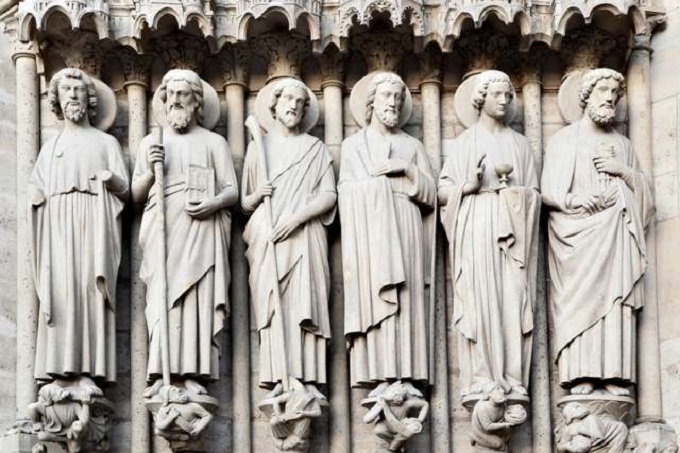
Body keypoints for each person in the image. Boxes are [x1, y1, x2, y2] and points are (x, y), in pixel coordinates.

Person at [542, 68, 653, 396]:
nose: (610, 98)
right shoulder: (565, 140)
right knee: (580, 303)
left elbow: (646, 199)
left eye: (615, 94)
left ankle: (616, 374)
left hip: (616, 234)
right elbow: (549, 191)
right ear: (586, 96)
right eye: (603, 90)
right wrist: (576, 200)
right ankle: (581, 374)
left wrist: (624, 172)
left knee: (616, 301)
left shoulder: (623, 145)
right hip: (578, 237)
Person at [438, 70, 540, 397]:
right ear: (481, 99)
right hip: (477, 227)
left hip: (513, 234)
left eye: (508, 95)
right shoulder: (465, 143)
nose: (504, 100)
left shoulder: (520, 144)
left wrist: (515, 195)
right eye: (497, 94)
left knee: (513, 299)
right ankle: (482, 378)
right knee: (480, 301)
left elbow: (536, 195)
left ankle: (512, 377)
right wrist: (468, 187)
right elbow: (442, 192)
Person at [132, 69, 238, 382]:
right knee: (162, 298)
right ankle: (162, 370)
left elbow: (231, 190)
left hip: (202, 230)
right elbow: (135, 195)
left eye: (183, 94)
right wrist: (151, 170)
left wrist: (213, 204)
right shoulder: (152, 142)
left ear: (196, 101)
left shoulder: (214, 142)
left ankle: (196, 369)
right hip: (163, 229)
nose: (175, 100)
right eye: (171, 94)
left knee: (197, 297)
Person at [30, 67, 129, 383]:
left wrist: (112, 180)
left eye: (78, 90)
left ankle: (89, 369)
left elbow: (125, 190)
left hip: (94, 226)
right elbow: (37, 191)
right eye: (66, 90)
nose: (72, 95)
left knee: (89, 293)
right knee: (61, 292)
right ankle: (59, 370)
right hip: (58, 228)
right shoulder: (50, 148)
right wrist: (36, 198)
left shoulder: (106, 143)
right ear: (57, 100)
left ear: (89, 99)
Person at [339, 72, 436, 387]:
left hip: (406, 224)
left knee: (406, 298)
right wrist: (376, 188)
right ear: (371, 102)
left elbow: (431, 196)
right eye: (386, 96)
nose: (392, 102)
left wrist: (406, 169)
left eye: (398, 97)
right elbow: (344, 193)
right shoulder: (353, 146)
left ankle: (406, 374)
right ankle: (376, 375)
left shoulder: (412, 146)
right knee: (374, 296)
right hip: (370, 234)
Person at [242, 78, 336, 389]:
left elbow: (329, 195)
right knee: (273, 306)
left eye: (299, 102)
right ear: (275, 106)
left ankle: (307, 379)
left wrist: (296, 219)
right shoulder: (259, 148)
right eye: (288, 100)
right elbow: (245, 203)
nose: (293, 106)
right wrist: (260, 194)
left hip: (306, 236)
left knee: (304, 303)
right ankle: (278, 376)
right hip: (268, 236)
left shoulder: (315, 149)